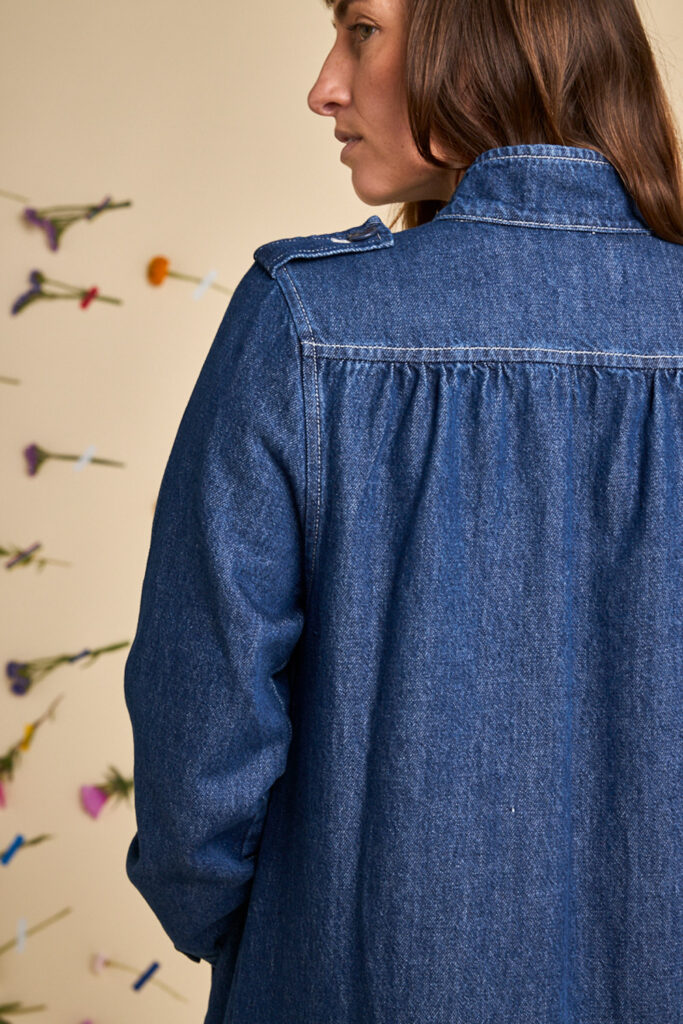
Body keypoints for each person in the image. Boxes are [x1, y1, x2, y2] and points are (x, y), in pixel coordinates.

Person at [122, 0, 683, 1021]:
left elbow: (200, 731)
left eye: (362, 30)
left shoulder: (304, 320)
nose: (323, 87)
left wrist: (269, 939)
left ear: (486, 36)